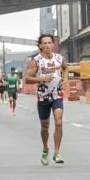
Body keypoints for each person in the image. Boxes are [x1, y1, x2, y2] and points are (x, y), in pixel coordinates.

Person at [25, 34, 67, 165]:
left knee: (59, 122)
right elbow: (27, 79)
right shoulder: (36, 61)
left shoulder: (59, 58)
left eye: (50, 43)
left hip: (57, 94)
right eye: (45, 43)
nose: (48, 45)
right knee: (45, 126)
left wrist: (65, 80)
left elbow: (66, 69)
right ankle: (45, 149)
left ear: (53, 44)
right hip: (43, 96)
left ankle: (57, 152)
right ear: (40, 46)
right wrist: (41, 79)